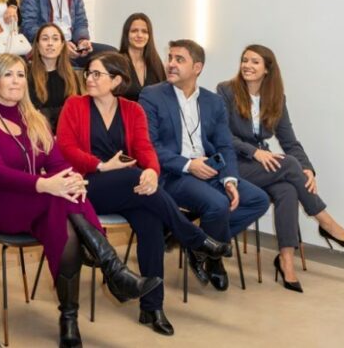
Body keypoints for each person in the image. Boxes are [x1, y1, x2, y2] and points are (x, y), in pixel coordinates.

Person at [0, 53, 159, 347]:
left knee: (67, 223)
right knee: (59, 198)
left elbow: (57, 163)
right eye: (8, 75)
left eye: (20, 74)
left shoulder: (35, 119)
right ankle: (113, 270)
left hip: (38, 201)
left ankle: (70, 318)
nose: (16, 81)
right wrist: (48, 184)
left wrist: (71, 180)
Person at [55, 52, 230, 335]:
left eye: (97, 74)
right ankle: (193, 238)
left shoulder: (132, 110)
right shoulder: (74, 105)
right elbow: (65, 148)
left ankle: (152, 307)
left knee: (150, 221)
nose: (89, 78)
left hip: (129, 189)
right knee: (133, 177)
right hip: (87, 186)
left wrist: (151, 172)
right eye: (88, 73)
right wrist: (101, 165)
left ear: (117, 80)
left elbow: (145, 148)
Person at [216, 44, 344, 291]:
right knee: (289, 166)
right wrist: (255, 151)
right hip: (233, 163)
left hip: (259, 165)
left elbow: (289, 141)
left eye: (255, 62)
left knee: (288, 189)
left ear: (267, 69)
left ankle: (286, 260)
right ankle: (327, 223)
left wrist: (308, 170)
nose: (247, 66)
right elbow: (221, 135)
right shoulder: (226, 91)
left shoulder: (276, 99)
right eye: (245, 60)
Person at [139, 40, 271, 292]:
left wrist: (230, 180)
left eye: (179, 59)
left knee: (257, 200)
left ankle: (194, 241)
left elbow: (225, 147)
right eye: (170, 58)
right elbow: (150, 146)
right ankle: (213, 257)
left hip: (210, 170)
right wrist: (189, 165)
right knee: (217, 204)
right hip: (173, 174)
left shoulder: (212, 101)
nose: (171, 64)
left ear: (197, 67)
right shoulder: (152, 95)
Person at [27, 23, 82, 130]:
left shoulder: (71, 75)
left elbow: (77, 110)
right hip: (39, 132)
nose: (50, 43)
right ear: (37, 45)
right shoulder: (28, 74)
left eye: (55, 39)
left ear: (62, 45)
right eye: (45, 39)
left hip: (66, 132)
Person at [117, 13, 165, 102]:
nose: (139, 35)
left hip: (151, 115)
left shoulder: (156, 63)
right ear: (126, 34)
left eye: (144, 31)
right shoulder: (117, 62)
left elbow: (164, 95)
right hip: (125, 114)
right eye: (134, 31)